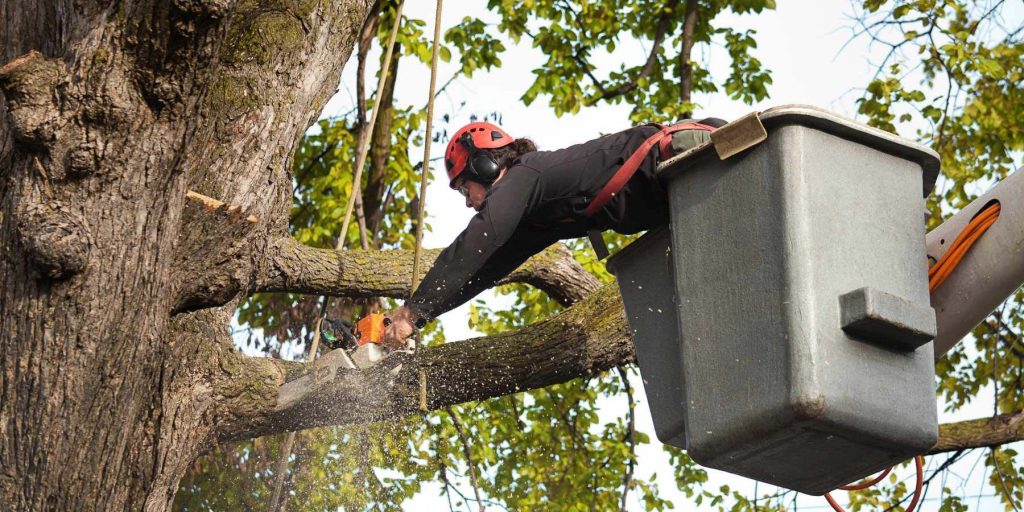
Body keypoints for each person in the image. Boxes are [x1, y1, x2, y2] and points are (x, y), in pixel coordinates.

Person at [383, 118, 726, 347]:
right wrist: (422, 315)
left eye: (464, 188)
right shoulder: (535, 215)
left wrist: (411, 310)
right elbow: (481, 270)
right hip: (679, 194)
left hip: (689, 156)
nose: (468, 203)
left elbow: (479, 237)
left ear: (484, 165)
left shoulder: (523, 175)